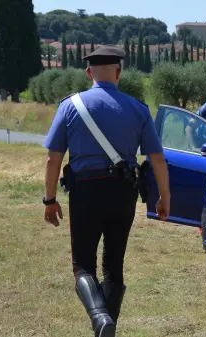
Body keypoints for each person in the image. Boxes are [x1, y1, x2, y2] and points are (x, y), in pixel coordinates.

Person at [42, 45, 171, 336]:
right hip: (123, 191)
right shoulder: (138, 109)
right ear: (119, 72)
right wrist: (164, 197)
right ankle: (106, 325)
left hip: (86, 190)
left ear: (89, 73)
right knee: (114, 264)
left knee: (82, 267)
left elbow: (53, 158)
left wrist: (49, 199)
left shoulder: (70, 106)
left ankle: (101, 319)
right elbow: (157, 159)